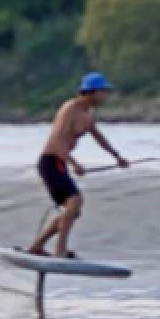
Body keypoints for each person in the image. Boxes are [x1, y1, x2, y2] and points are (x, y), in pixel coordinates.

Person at [26, 72, 129, 259]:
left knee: (73, 211)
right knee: (74, 202)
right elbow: (57, 141)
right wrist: (74, 163)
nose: (105, 96)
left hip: (60, 163)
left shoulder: (87, 115)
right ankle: (60, 250)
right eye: (103, 92)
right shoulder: (69, 109)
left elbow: (99, 138)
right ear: (90, 92)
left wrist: (118, 157)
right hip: (51, 160)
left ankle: (37, 247)